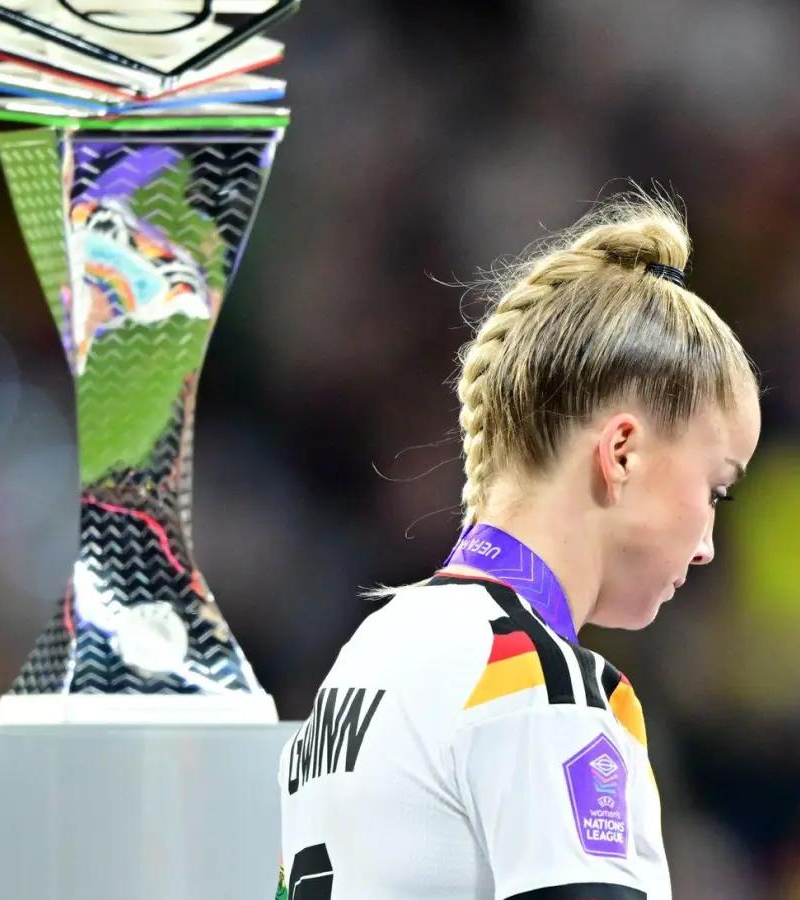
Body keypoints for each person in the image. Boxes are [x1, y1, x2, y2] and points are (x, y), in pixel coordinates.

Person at [275, 191, 762, 900]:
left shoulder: (365, 658)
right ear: (622, 453)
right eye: (716, 489)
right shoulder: (532, 679)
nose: (707, 547)